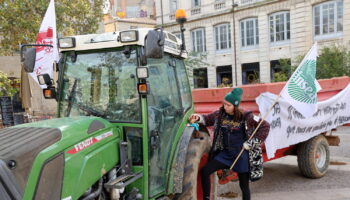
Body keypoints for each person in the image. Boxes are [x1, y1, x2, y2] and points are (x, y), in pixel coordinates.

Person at [189, 88, 270, 200]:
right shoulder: (220, 114)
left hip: (241, 155)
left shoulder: (247, 116)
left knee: (244, 186)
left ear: (235, 106)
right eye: (224, 104)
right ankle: (207, 198)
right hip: (225, 154)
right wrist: (198, 117)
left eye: (228, 105)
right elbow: (207, 119)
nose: (225, 107)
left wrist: (252, 143)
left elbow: (265, 126)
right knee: (205, 171)